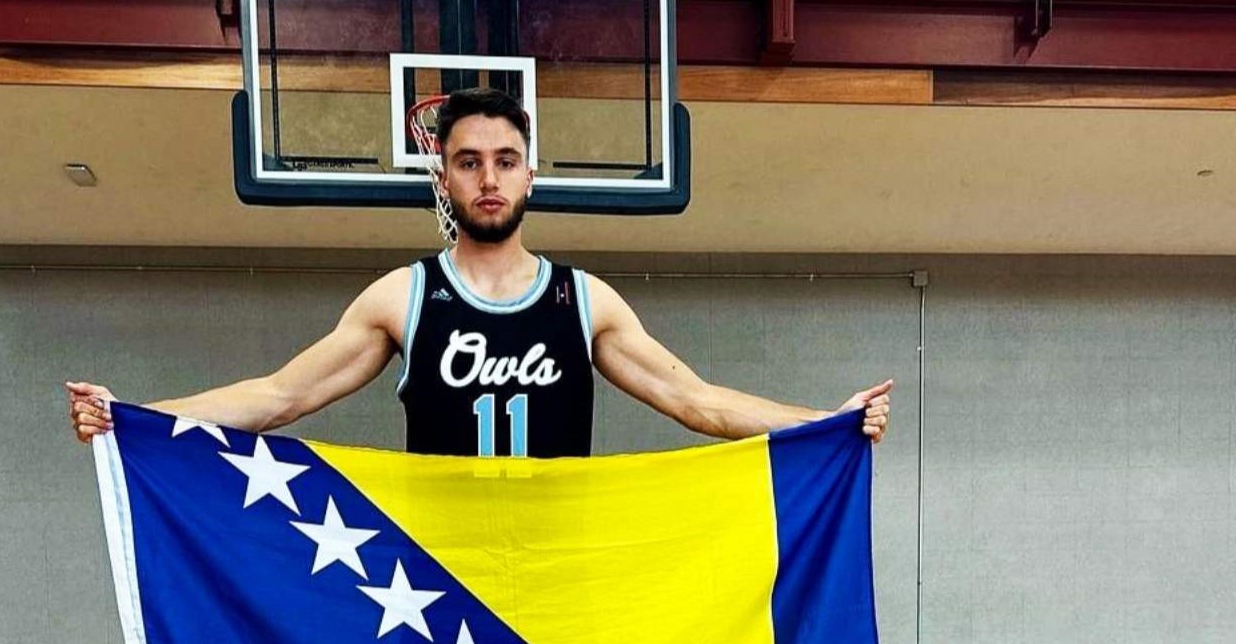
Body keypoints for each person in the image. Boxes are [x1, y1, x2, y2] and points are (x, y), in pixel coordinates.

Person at [67, 88, 891, 455]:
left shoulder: (582, 300)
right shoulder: (405, 296)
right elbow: (280, 395)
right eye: (468, 162)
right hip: (440, 574)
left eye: (504, 160)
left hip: (557, 563)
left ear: (530, 175)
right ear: (444, 177)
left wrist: (825, 420)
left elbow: (696, 401)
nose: (488, 178)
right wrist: (132, 416)